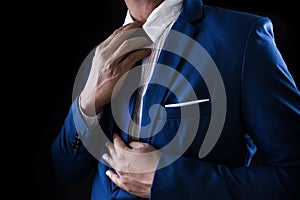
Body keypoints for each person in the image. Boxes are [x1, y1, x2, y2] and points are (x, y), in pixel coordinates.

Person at [51, 0, 300, 199]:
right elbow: (66, 170)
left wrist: (169, 181)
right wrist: (87, 102)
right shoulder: (102, 55)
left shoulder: (242, 39)